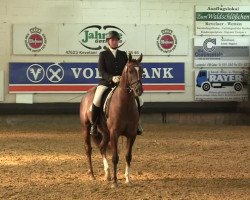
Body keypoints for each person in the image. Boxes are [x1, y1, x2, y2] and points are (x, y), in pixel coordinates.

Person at [90, 30, 143, 136]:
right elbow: (101, 71)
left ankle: (137, 124)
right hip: (106, 83)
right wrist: (112, 78)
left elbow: (127, 70)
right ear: (108, 42)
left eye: (116, 40)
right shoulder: (103, 54)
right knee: (96, 100)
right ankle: (94, 125)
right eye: (112, 40)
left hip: (121, 85)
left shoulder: (123, 54)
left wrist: (122, 78)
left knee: (140, 100)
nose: (114, 42)